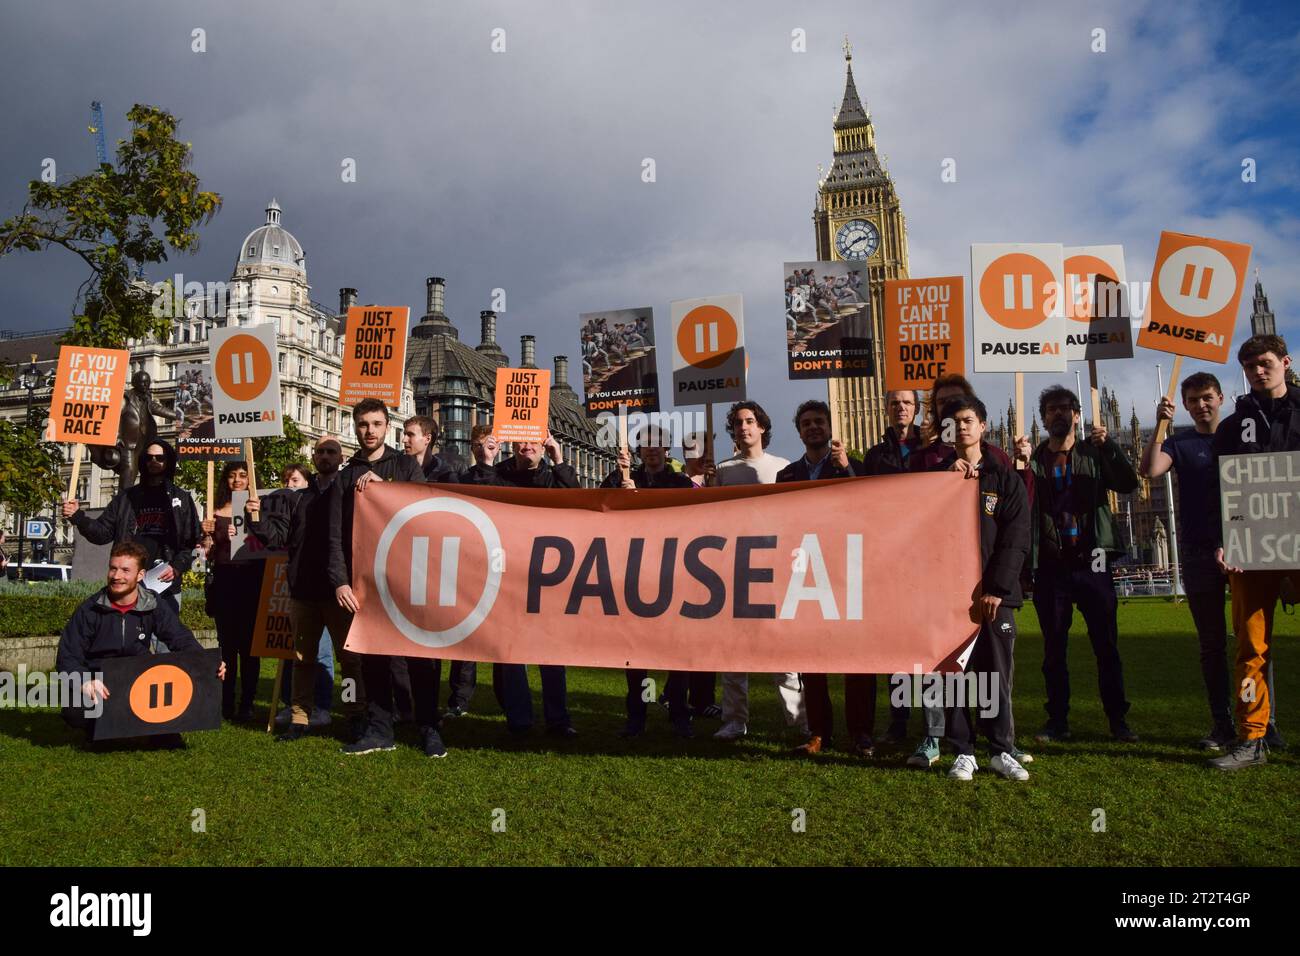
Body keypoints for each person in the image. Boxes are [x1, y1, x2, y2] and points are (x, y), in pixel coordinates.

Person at [1139, 372, 1280, 752]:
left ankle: (1263, 720)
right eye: (1193, 400)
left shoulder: (1242, 434)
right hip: (1199, 552)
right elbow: (1150, 470)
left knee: (1253, 644)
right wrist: (1160, 424)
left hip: (1244, 549)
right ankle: (1222, 722)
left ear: (1220, 397)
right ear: (1185, 405)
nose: (1201, 405)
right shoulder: (1180, 442)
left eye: (1207, 397)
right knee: (1212, 645)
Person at [1016, 386, 1139, 743]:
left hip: (1094, 561)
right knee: (1054, 650)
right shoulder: (1035, 460)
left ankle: (1118, 719)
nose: (1058, 414)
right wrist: (1019, 465)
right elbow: (1019, 506)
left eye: (1065, 408)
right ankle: (1057, 721)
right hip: (1052, 566)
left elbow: (1129, 483)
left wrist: (1110, 448)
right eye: (1051, 409)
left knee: (1106, 647)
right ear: (1043, 418)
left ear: (1076, 414)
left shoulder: (1093, 453)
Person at [921, 396, 1031, 780]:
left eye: (969, 420)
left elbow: (1015, 539)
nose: (962, 427)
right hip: (949, 597)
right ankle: (962, 750)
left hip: (993, 597)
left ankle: (1001, 750)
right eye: (954, 422)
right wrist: (946, 484)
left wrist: (997, 588)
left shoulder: (1005, 478)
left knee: (996, 675)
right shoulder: (936, 479)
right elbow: (921, 532)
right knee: (955, 675)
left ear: (983, 426)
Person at [328, 399, 444, 757]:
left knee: (419, 658)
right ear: (354, 427)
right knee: (372, 659)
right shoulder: (344, 477)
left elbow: (424, 512)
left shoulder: (407, 465)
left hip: (408, 577)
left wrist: (386, 489)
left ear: (386, 426)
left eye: (376, 424)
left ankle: (428, 727)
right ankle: (380, 729)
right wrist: (340, 581)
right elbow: (334, 534)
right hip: (366, 582)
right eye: (363, 424)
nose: (369, 431)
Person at [1209, 334, 1297, 769]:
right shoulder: (1232, 427)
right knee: (1249, 649)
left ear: (1285, 361)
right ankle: (1252, 737)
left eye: (1264, 363)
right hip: (1251, 549)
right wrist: (1222, 540)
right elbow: (1218, 491)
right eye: (1249, 366)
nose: (1258, 372)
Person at [463, 426, 580, 737]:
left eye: (534, 441)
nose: (527, 446)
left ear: (543, 445)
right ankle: (520, 720)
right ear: (512, 443)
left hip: (549, 576)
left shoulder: (554, 475)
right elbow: (479, 501)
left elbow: (577, 501)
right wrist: (486, 462)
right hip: (508, 574)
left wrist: (559, 460)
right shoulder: (498, 472)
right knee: (513, 653)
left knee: (551, 653)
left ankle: (558, 719)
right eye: (522, 440)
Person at [56, 541, 226, 749]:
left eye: (125, 570)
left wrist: (208, 662)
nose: (117, 576)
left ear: (140, 575)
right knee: (76, 710)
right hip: (101, 681)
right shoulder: (90, 609)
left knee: (171, 686)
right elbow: (68, 657)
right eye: (113, 568)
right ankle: (99, 729)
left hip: (139, 680)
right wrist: (85, 682)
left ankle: (158, 730)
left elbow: (180, 638)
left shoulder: (153, 603)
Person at [777, 400, 872, 756]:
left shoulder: (855, 468)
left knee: (856, 660)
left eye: (819, 421)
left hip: (848, 574)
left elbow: (867, 510)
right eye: (806, 423)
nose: (813, 427)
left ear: (831, 427)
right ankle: (819, 732)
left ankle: (861, 733)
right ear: (799, 431)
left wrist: (846, 470)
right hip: (805, 576)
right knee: (812, 660)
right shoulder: (785, 476)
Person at [263, 439, 369, 743]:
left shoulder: (350, 494)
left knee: (350, 661)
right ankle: (299, 717)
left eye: (330, 452)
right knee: (302, 659)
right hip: (304, 591)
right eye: (320, 452)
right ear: (314, 456)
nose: (324, 456)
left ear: (341, 457)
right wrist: (257, 517)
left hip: (340, 592)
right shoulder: (299, 499)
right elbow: (278, 538)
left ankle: (354, 713)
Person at [712, 400, 806, 741]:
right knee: (733, 650)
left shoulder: (783, 467)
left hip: (773, 566)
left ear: (762, 427)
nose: (744, 427)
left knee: (783, 650)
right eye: (737, 423)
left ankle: (797, 720)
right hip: (733, 566)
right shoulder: (722, 471)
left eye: (750, 421)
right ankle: (734, 720)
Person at [601, 425, 696, 738]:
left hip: (673, 573)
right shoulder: (622, 477)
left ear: (668, 451)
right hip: (635, 574)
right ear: (638, 451)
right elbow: (599, 508)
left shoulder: (681, 484)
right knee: (637, 652)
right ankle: (637, 713)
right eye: (646, 445)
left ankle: (680, 713)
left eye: (659, 445)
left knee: (677, 650)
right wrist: (621, 489)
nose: (652, 450)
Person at [62, 439, 202, 615]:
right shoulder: (126, 498)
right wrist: (78, 517)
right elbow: (102, 533)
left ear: (168, 462)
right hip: (129, 580)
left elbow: (191, 542)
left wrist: (177, 567)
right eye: (149, 458)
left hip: (165, 582)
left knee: (165, 640)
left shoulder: (181, 499)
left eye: (160, 458)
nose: (154, 462)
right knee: (130, 639)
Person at [402, 414, 475, 719]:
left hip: (443, 564)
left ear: (426, 438)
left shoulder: (447, 474)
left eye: (410, 434)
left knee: (456, 635)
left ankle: (457, 700)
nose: (404, 439)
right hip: (409, 563)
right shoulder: (396, 470)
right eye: (404, 434)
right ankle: (410, 703)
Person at [269, 463, 336, 729]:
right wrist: (254, 519)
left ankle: (321, 705)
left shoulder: (321, 505)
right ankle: (293, 704)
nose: (289, 486)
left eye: (295, 481)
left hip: (323, 588)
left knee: (321, 652)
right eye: (286, 481)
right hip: (297, 586)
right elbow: (276, 538)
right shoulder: (284, 507)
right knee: (294, 652)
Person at [199, 460, 263, 721]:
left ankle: (247, 702)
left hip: (250, 582)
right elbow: (208, 553)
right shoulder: (214, 511)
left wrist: (249, 527)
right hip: (224, 583)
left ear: (250, 480)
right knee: (228, 647)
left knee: (249, 648)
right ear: (225, 480)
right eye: (232, 476)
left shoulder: (257, 509)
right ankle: (226, 702)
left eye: (243, 476)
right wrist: (205, 537)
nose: (237, 480)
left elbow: (267, 542)